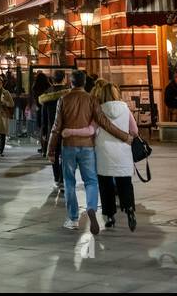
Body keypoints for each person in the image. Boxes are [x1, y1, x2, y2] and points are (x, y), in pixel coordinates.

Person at [48, 70, 132, 235]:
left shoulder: (63, 100)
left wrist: (51, 150)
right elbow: (104, 123)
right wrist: (124, 136)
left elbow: (56, 127)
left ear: (70, 82)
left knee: (69, 182)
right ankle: (92, 208)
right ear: (85, 82)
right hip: (87, 147)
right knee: (91, 181)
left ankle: (72, 219)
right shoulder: (92, 100)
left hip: (68, 146)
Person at [95, 82, 140, 231]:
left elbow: (93, 130)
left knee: (105, 184)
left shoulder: (99, 109)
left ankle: (109, 216)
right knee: (125, 182)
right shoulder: (125, 108)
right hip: (123, 150)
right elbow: (134, 131)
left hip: (104, 151)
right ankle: (130, 210)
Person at [39, 71, 70, 192]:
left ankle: (56, 179)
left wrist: (45, 131)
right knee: (66, 154)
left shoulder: (47, 94)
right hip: (67, 129)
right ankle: (63, 179)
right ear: (63, 79)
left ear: (52, 80)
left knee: (54, 154)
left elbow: (44, 116)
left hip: (52, 128)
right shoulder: (68, 93)